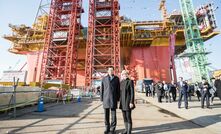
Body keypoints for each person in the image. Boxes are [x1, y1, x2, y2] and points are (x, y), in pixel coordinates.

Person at [100, 67, 120, 134]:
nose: (111, 71)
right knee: (106, 115)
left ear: (113, 71)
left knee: (113, 115)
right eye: (109, 70)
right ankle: (107, 128)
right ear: (108, 71)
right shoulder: (104, 79)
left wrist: (118, 99)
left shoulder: (116, 79)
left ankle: (112, 129)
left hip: (113, 99)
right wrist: (101, 98)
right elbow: (102, 89)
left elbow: (118, 90)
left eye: (112, 70)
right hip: (106, 99)